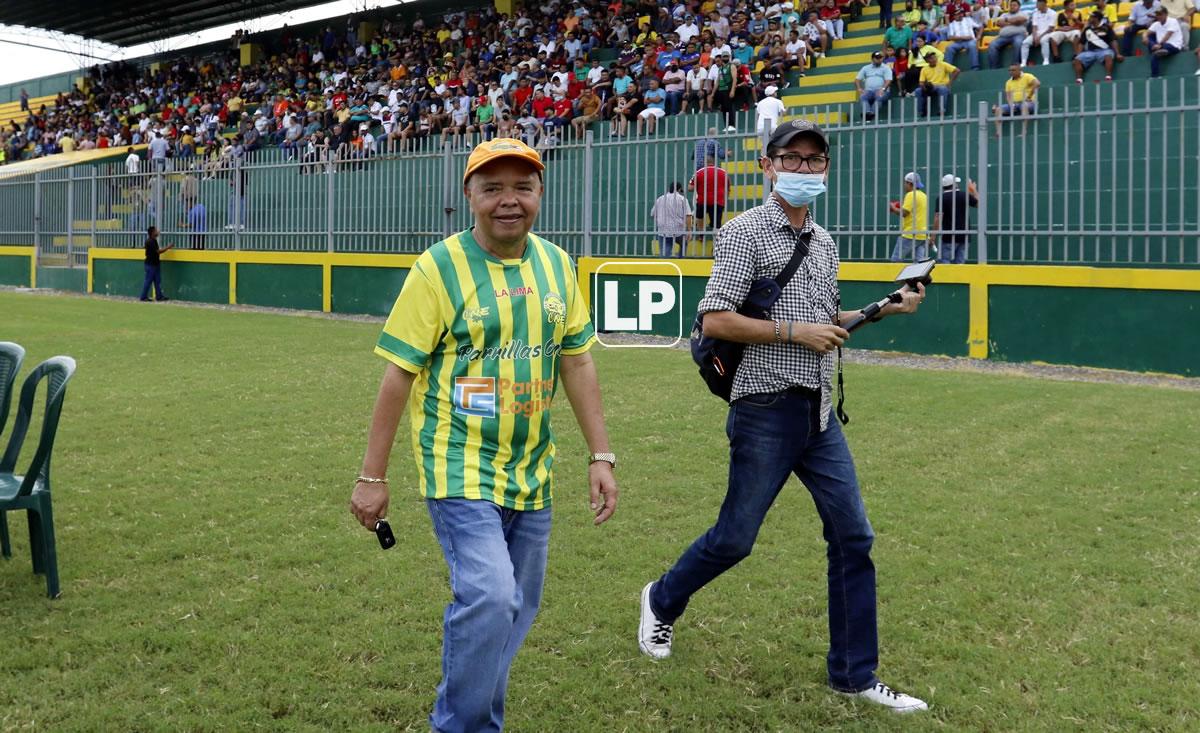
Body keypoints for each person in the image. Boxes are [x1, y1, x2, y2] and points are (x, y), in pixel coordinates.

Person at [636, 119, 928, 714]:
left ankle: (854, 674)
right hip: (764, 406)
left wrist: (880, 310)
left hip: (819, 413)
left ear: (826, 169)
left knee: (853, 536)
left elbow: (827, 323)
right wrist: (794, 332)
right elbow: (714, 319)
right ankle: (661, 601)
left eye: (813, 161)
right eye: (790, 159)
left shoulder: (824, 242)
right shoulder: (743, 231)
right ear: (769, 166)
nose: (803, 169)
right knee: (735, 539)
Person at [349, 137, 618, 733]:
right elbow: (398, 374)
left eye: (522, 187)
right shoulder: (438, 268)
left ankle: (477, 719)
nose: (508, 201)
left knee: (514, 610)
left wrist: (601, 454)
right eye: (492, 187)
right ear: (468, 196)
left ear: (540, 194)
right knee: (493, 597)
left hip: (532, 469)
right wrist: (372, 477)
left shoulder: (555, 264)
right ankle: (461, 725)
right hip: (459, 462)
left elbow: (576, 361)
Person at [933, 174, 979, 263]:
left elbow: (938, 217)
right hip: (965, 235)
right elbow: (980, 204)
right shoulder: (964, 195)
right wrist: (973, 190)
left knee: (944, 262)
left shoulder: (942, 198)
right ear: (954, 184)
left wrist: (933, 236)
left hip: (948, 236)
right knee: (960, 264)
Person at [889, 171, 929, 260]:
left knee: (895, 260)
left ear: (909, 183)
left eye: (905, 183)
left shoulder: (910, 195)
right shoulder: (924, 196)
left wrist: (893, 208)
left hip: (910, 234)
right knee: (919, 264)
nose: (904, 185)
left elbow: (904, 213)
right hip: (923, 235)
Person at [690, 154, 730, 242]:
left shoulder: (699, 172)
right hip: (718, 202)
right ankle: (716, 245)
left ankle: (701, 233)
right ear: (714, 162)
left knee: (699, 216)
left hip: (702, 201)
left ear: (705, 162)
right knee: (716, 224)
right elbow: (727, 188)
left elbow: (690, 188)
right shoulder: (723, 172)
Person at [1073, 11, 1122, 83]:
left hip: (1104, 50)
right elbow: (1081, 43)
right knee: (1077, 60)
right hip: (1090, 52)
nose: (1089, 19)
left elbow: (1113, 41)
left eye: (1091, 17)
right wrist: (1077, 55)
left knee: (1108, 56)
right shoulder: (1087, 29)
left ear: (1096, 18)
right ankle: (1079, 80)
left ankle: (1108, 77)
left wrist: (1117, 53)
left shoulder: (1106, 27)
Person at [992, 65, 1040, 137]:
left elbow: (1037, 83)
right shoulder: (1008, 82)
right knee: (998, 109)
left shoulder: (1027, 76)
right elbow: (1008, 96)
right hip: (1015, 104)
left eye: (1013, 70)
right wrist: (1011, 105)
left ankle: (1024, 132)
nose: (1011, 72)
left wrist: (1029, 96)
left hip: (1029, 103)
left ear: (1019, 70)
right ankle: (998, 133)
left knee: (1024, 106)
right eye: (1010, 70)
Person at [651, 182, 694, 257]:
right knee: (684, 243)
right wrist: (689, 230)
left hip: (663, 230)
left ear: (669, 189)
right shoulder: (682, 199)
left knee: (665, 253)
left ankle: (665, 264)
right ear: (680, 189)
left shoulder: (660, 199)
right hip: (679, 230)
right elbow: (688, 215)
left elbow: (653, 214)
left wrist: (660, 221)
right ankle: (681, 259)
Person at [914, 51, 958, 117]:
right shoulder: (924, 69)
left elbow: (957, 70)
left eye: (934, 57)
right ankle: (920, 112)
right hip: (931, 87)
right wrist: (924, 87)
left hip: (942, 86)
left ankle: (942, 111)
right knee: (918, 91)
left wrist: (949, 83)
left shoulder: (943, 64)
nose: (934, 59)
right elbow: (921, 82)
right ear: (927, 60)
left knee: (942, 89)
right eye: (931, 58)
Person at [987, 0, 1029, 69]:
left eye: (1014, 5)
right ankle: (994, 68)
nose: (1012, 7)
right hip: (1003, 37)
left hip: (1018, 35)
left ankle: (1015, 66)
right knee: (992, 45)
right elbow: (999, 23)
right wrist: (1014, 21)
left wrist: (1006, 21)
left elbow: (1020, 20)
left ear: (1019, 7)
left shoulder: (1023, 13)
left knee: (1018, 43)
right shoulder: (1004, 14)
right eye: (1011, 5)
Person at [1145, 7, 1184, 77]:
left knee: (1164, 47)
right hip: (1161, 46)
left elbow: (1168, 35)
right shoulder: (1156, 24)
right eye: (1157, 14)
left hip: (1174, 46)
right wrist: (1144, 38)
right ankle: (1154, 76)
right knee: (1150, 39)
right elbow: (1146, 33)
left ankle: (1164, 50)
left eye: (1160, 14)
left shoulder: (1173, 21)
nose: (1158, 16)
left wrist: (1159, 44)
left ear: (1166, 14)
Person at [855, 52, 893, 120]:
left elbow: (888, 80)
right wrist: (859, 88)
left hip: (882, 90)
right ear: (872, 59)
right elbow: (857, 79)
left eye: (880, 58)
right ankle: (867, 112)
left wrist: (883, 89)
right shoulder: (866, 68)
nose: (879, 60)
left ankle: (871, 113)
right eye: (877, 58)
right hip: (869, 90)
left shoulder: (886, 68)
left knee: (879, 97)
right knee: (862, 97)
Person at [140, 226, 173, 302]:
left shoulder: (153, 240)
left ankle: (159, 296)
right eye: (155, 231)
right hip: (150, 265)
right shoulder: (150, 241)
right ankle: (143, 296)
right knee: (148, 281)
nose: (157, 232)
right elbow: (158, 251)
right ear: (152, 233)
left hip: (155, 264)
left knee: (157, 281)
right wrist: (168, 247)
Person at [1022, 0, 1060, 66]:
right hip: (1037, 34)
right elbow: (1034, 27)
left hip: (1047, 33)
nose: (1036, 5)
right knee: (1025, 42)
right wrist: (1034, 37)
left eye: (1038, 4)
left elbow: (1050, 29)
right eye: (1037, 4)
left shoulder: (1053, 13)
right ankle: (1023, 62)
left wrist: (1039, 37)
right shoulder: (1035, 13)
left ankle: (1046, 60)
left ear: (1044, 4)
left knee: (1043, 40)